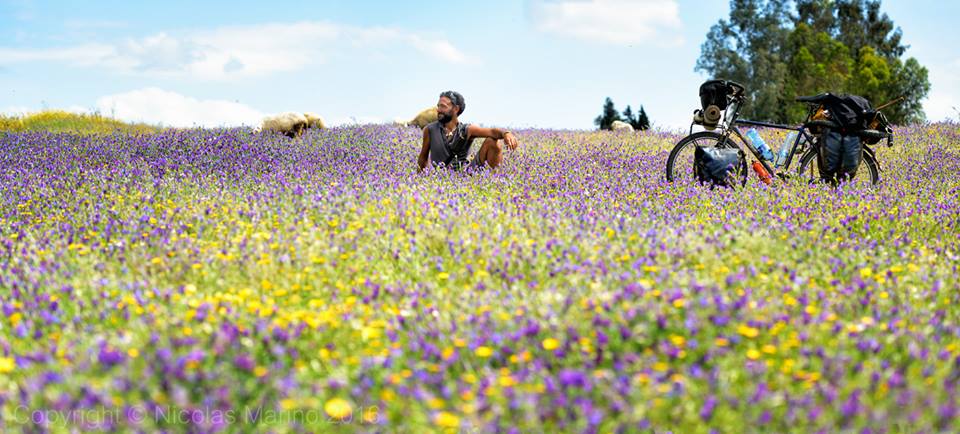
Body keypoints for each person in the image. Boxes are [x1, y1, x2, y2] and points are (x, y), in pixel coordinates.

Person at [417, 91, 519, 171]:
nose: (438, 110)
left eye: (443, 106)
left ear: (456, 109)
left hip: (466, 176)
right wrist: (421, 180)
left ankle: (496, 181)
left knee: (492, 142)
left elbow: (492, 132)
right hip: (441, 178)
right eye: (438, 106)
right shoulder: (429, 130)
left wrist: (506, 133)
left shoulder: (467, 130)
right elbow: (423, 158)